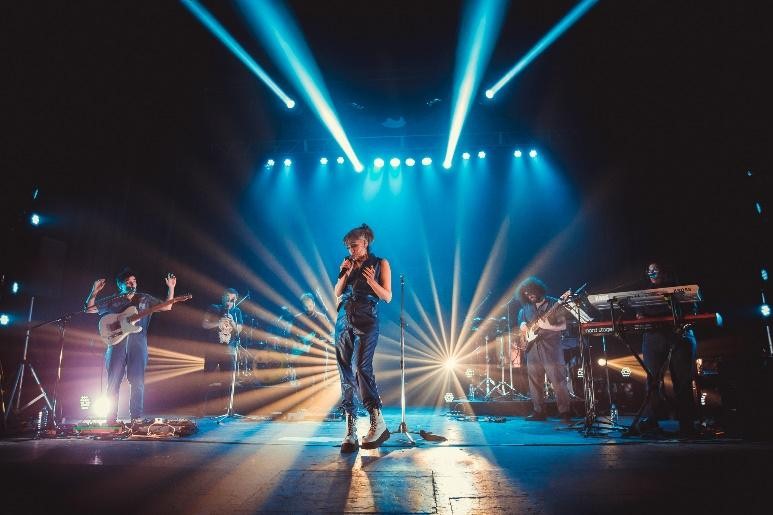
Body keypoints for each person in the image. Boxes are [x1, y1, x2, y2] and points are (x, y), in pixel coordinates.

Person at [84, 268, 176, 424]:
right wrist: (94, 292)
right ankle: (110, 419)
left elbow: (167, 306)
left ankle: (136, 418)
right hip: (116, 344)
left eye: (134, 281)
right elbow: (89, 309)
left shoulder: (144, 298)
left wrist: (171, 288)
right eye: (127, 282)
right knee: (113, 382)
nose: (132, 284)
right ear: (120, 285)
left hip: (138, 344)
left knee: (137, 382)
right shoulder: (114, 300)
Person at [334, 223, 392, 452]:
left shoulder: (380, 263)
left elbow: (387, 296)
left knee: (361, 367)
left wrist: (372, 282)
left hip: (367, 318)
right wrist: (345, 273)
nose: (351, 250)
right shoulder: (347, 263)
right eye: (349, 247)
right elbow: (337, 292)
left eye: (355, 246)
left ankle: (377, 420)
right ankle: (351, 429)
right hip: (344, 318)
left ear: (365, 242)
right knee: (345, 370)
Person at [631, 262, 698, 437]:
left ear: (665, 271)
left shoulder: (680, 288)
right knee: (652, 381)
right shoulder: (645, 293)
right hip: (653, 337)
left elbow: (692, 310)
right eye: (649, 270)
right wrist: (641, 316)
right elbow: (639, 315)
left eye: (655, 270)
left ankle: (687, 425)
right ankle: (652, 422)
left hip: (680, 336)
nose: (651, 273)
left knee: (682, 381)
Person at [516, 276, 573, 422]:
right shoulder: (526, 307)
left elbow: (563, 325)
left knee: (558, 381)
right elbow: (521, 320)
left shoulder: (554, 303)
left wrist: (548, 326)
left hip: (551, 348)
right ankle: (539, 411)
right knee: (534, 382)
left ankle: (565, 412)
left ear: (538, 290)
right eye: (527, 294)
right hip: (532, 349)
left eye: (531, 293)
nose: (530, 296)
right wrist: (522, 324)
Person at [288, 292, 333, 383]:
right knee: (303, 380)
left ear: (314, 304)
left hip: (319, 353)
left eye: (310, 305)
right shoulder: (297, 319)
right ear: (302, 306)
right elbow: (292, 334)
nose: (308, 308)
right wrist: (300, 342)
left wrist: (324, 340)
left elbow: (330, 335)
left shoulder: (322, 318)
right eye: (305, 306)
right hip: (302, 355)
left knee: (320, 380)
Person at [201, 288, 243, 374]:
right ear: (223, 297)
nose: (229, 302)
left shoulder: (237, 311)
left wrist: (232, 321)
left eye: (232, 300)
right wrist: (219, 322)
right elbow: (205, 325)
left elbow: (239, 330)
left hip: (229, 352)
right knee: (207, 377)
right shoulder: (213, 308)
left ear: (235, 300)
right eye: (227, 298)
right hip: (213, 350)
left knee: (227, 379)